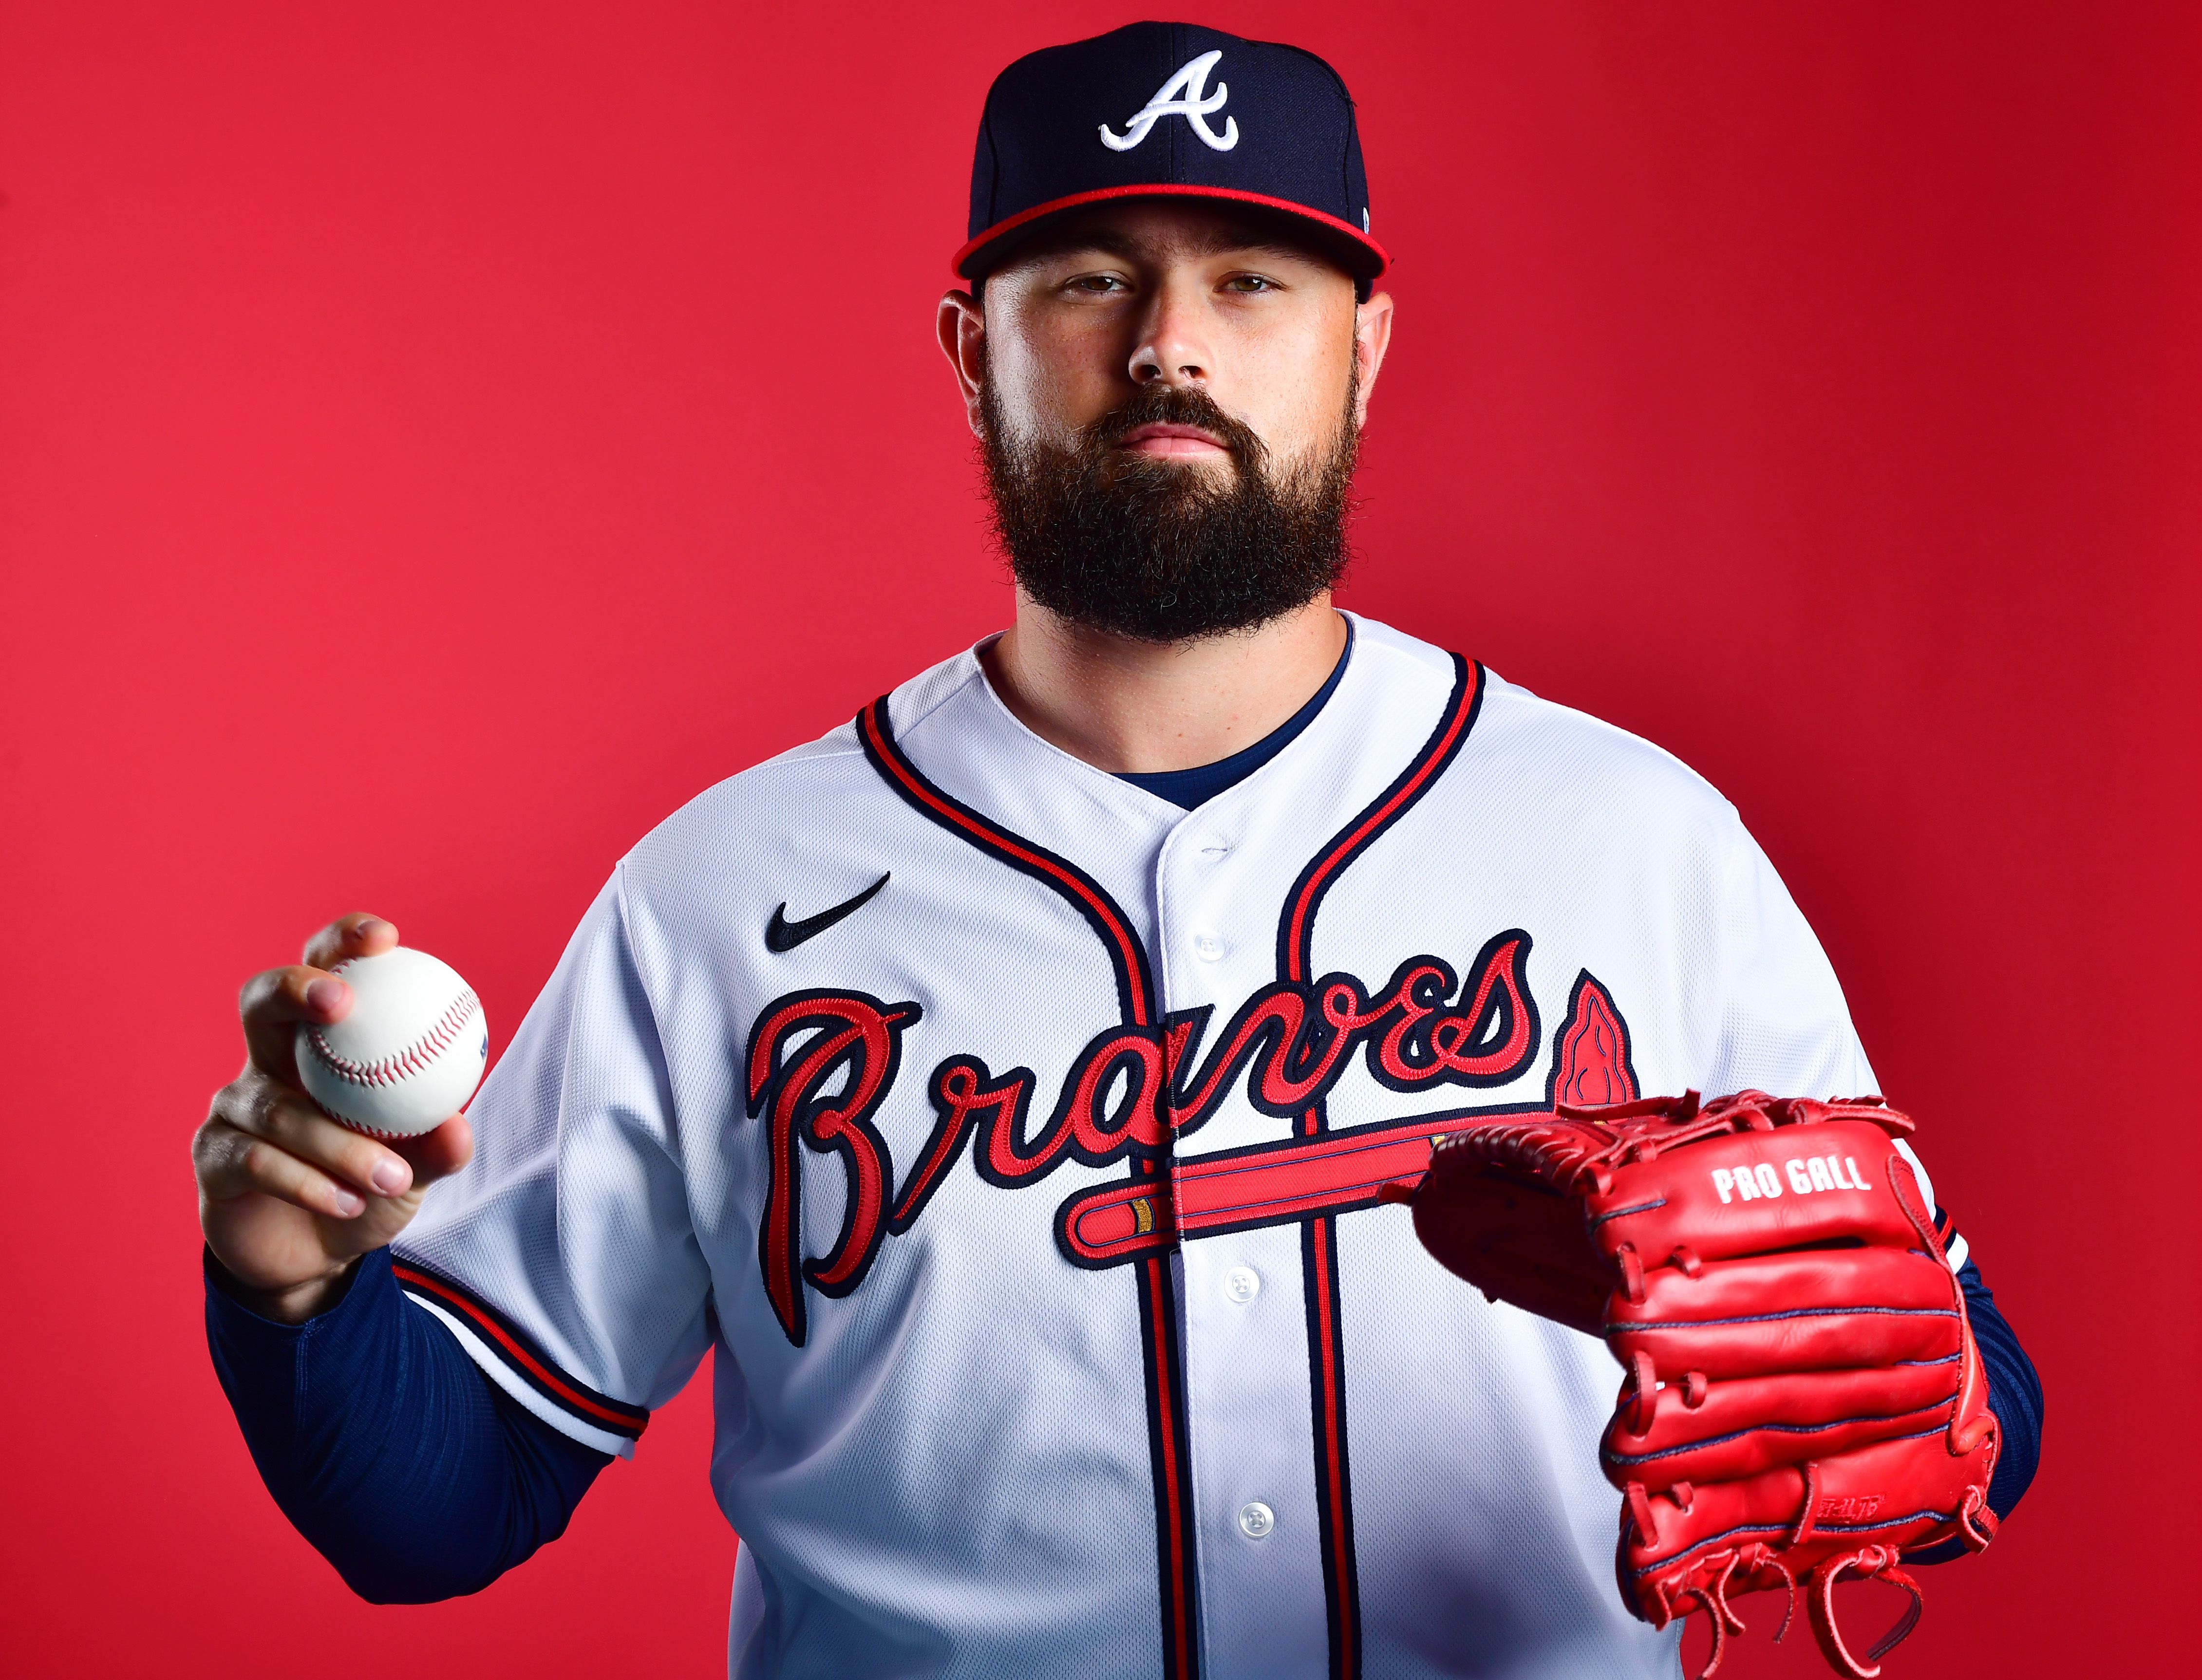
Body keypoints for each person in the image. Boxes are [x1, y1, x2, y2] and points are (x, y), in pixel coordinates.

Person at [195, 22, 2041, 1679]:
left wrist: (1845, 1372)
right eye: (1089, 278)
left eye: (1252, 279)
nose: (1169, 344)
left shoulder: (1635, 843)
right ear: (967, 349)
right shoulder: (717, 893)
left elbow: (1976, 1403)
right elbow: (434, 1508)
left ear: (1363, 349)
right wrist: (288, 1288)